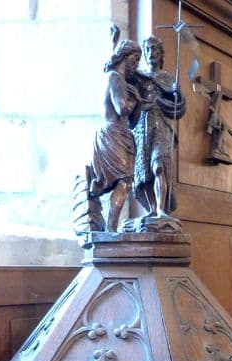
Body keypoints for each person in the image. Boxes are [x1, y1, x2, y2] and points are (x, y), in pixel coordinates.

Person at [126, 35, 186, 228]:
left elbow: (179, 107)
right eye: (148, 49)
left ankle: (161, 209)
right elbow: (119, 75)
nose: (151, 53)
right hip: (142, 126)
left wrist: (177, 93)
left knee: (159, 166)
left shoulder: (168, 78)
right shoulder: (139, 76)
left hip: (161, 125)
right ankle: (152, 209)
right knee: (144, 173)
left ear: (161, 54)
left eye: (155, 49)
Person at [88, 39, 142, 232]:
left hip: (116, 134)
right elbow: (122, 108)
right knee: (125, 180)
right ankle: (111, 229)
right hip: (113, 135)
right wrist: (136, 98)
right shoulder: (115, 78)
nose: (135, 66)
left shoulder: (115, 78)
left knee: (124, 181)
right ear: (124, 56)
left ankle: (110, 228)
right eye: (135, 59)